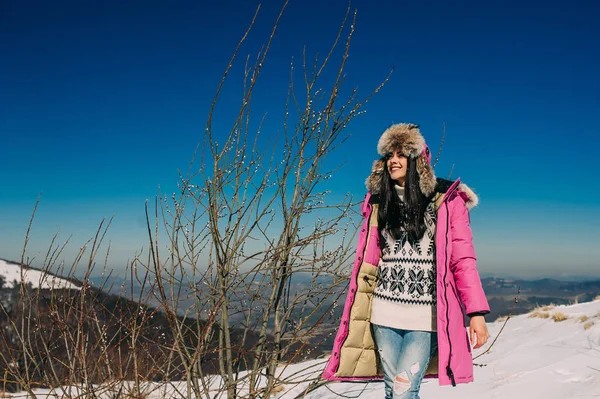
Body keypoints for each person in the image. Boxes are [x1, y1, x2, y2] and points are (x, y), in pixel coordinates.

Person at [322, 123, 490, 398]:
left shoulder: (444, 202)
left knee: (403, 390)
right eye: (389, 155)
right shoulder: (380, 203)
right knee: (393, 390)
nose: (394, 161)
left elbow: (463, 260)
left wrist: (476, 313)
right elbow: (371, 262)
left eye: (401, 154)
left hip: (425, 317)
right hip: (383, 312)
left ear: (417, 162)